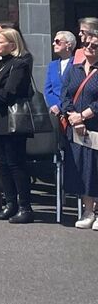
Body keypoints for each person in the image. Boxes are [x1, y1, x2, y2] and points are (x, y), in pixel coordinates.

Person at [0, 26, 35, 224]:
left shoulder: (20, 63)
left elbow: (10, 91)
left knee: (15, 164)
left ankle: (25, 207)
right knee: (1, 164)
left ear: (12, 44)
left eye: (0, 41)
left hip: (12, 120)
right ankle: (9, 204)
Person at [61, 30, 98, 228]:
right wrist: (74, 117)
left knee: (96, 167)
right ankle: (88, 210)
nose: (89, 48)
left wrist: (84, 116)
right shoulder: (74, 69)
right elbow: (65, 94)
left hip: (95, 125)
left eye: (94, 46)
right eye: (87, 45)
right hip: (76, 127)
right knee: (83, 168)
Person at [45, 31, 77, 119]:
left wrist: (60, 106)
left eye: (57, 41)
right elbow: (48, 90)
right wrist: (55, 106)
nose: (53, 43)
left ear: (68, 44)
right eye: (54, 41)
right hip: (56, 113)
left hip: (73, 110)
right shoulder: (52, 65)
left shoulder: (77, 63)